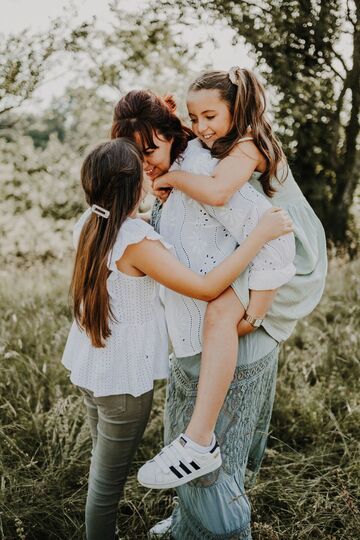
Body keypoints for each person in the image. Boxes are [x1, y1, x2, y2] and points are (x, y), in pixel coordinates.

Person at [111, 71, 327, 538]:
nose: (144, 164)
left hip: (279, 271)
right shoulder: (193, 170)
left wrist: (260, 304)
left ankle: (214, 503)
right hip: (201, 326)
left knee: (210, 461)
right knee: (183, 443)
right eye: (197, 117)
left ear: (171, 139)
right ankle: (190, 518)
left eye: (149, 151)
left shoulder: (223, 163)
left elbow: (270, 233)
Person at [61, 137, 292, 540]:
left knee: (102, 461)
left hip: (89, 365)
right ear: (135, 186)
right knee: (106, 482)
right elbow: (204, 288)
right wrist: (259, 235)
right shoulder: (136, 241)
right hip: (121, 380)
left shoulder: (92, 223)